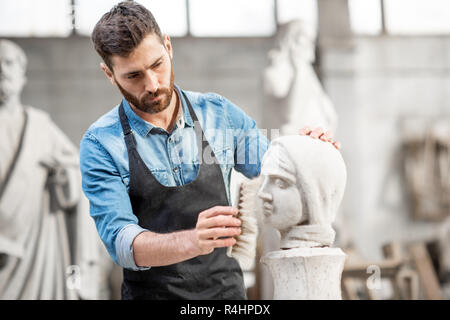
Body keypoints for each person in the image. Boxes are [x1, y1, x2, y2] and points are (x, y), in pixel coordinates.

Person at [80, 1, 340, 300]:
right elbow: (122, 243)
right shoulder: (101, 144)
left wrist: (306, 152)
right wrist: (193, 240)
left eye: (157, 65)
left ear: (168, 46)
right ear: (109, 74)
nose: (152, 84)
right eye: (133, 76)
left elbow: (276, 169)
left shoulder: (219, 115)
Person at [0, 39, 111, 299]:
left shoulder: (39, 126)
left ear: (22, 76)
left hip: (35, 247)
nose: (2, 70)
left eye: (8, 63)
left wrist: (66, 179)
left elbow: (77, 170)